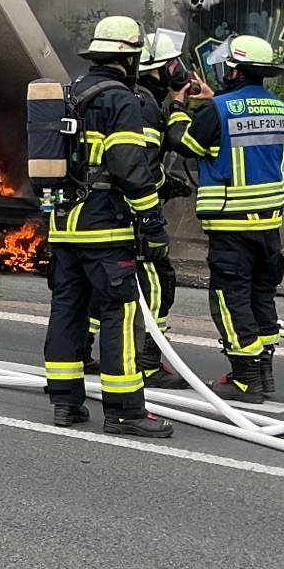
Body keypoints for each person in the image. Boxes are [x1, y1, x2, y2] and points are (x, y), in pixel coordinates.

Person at [42, 15, 174, 438]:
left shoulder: (70, 94)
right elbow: (129, 167)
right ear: (130, 58)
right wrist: (151, 221)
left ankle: (66, 403)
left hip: (63, 227)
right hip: (106, 230)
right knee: (120, 313)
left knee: (68, 311)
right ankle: (124, 412)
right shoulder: (121, 100)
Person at [167, 35, 284, 403]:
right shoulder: (279, 108)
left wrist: (178, 105)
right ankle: (264, 374)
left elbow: (184, 143)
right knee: (261, 297)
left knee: (230, 299)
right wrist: (212, 101)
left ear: (235, 71)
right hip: (269, 226)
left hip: (231, 225)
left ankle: (245, 380)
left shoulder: (218, 110)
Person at [128, 32, 193, 389]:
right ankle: (147, 363)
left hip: (113, 211)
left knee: (105, 285)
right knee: (157, 282)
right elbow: (145, 168)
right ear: (155, 69)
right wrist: (166, 187)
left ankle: (84, 352)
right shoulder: (145, 105)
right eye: (172, 64)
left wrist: (179, 104)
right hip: (139, 213)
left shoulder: (137, 97)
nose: (178, 69)